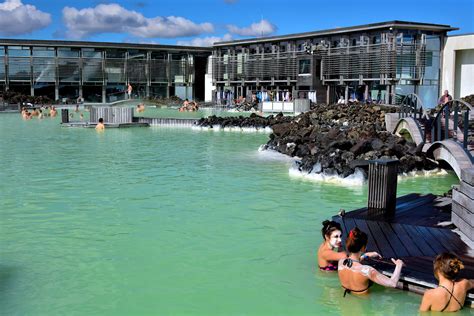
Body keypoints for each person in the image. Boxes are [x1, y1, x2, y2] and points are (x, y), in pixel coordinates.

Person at [338, 228, 404, 296]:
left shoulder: (341, 262)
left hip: (346, 300)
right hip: (362, 304)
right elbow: (392, 283)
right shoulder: (367, 271)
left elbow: (353, 264)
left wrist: (365, 255)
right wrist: (399, 265)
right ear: (363, 247)